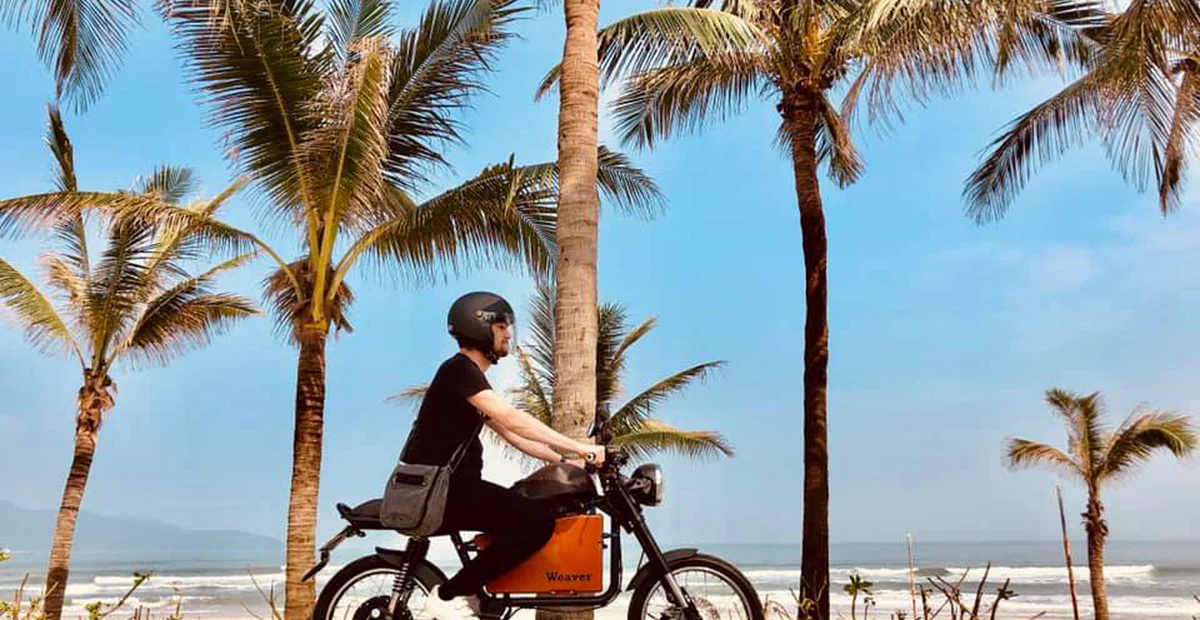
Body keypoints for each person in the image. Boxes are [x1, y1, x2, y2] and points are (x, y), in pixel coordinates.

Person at [403, 291, 606, 620]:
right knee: (536, 523)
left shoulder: (468, 377)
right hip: (446, 491)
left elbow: (513, 436)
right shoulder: (459, 371)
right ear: (479, 329)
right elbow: (512, 419)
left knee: (525, 509)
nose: (508, 334)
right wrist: (582, 447)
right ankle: (448, 594)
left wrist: (566, 463)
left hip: (455, 488)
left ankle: (481, 596)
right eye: (501, 327)